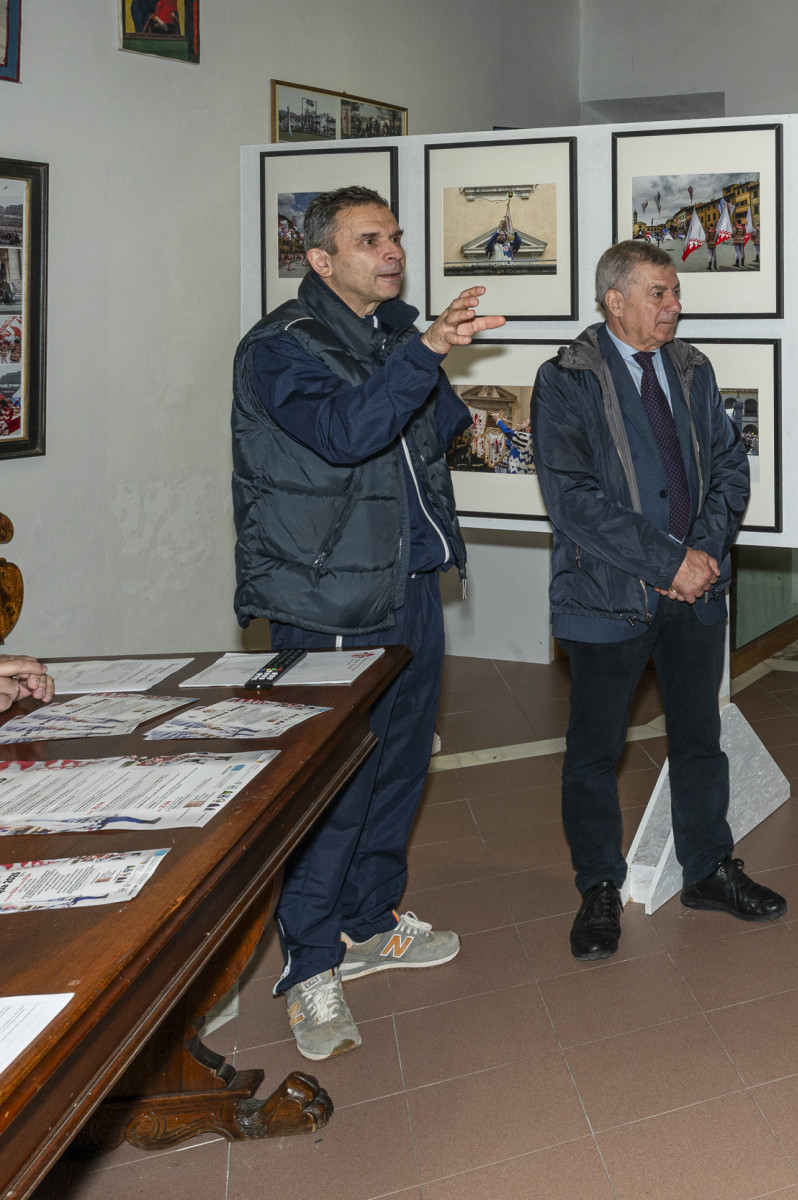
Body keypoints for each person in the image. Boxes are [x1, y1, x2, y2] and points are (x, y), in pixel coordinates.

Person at [232, 186, 501, 1061]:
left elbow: (438, 428)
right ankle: (310, 964)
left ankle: (370, 920)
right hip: (329, 600)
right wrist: (423, 351)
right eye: (370, 240)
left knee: (399, 767)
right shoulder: (279, 348)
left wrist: (414, 347)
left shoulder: (388, 333)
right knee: (333, 790)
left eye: (395, 237)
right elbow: (347, 433)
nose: (393, 252)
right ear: (321, 260)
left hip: (408, 583)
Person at [534, 240, 784, 963]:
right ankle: (598, 887)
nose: (675, 305)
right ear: (615, 301)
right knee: (595, 750)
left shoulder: (691, 368)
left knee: (700, 737)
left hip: (694, 596)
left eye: (675, 293)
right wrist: (669, 562)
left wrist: (699, 557)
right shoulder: (566, 379)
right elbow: (572, 499)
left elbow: (729, 467)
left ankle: (706, 868)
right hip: (606, 597)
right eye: (660, 293)